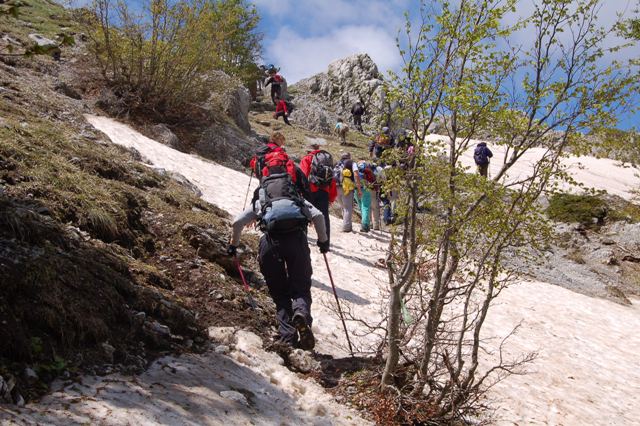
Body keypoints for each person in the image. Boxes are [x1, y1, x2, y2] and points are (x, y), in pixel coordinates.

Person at [228, 154, 329, 351]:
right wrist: (323, 242)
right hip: (296, 241)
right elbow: (317, 216)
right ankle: (301, 314)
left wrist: (233, 245)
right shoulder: (295, 196)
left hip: (270, 244)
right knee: (300, 286)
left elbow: (237, 222)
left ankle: (287, 337)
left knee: (279, 292)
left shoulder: (263, 197)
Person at [300, 143, 337, 243]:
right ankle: (325, 241)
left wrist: (300, 192)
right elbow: (332, 180)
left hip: (309, 191)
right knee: (324, 216)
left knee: (304, 215)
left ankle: (303, 239)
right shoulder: (326, 159)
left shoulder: (306, 159)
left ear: (308, 150)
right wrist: (332, 197)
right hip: (324, 191)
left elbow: (303, 176)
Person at [335, 152, 362, 232]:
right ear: (349, 157)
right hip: (347, 187)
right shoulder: (352, 163)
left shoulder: (337, 163)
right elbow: (356, 175)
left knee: (343, 207)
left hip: (336, 187)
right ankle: (346, 228)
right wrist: (359, 189)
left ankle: (345, 224)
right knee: (348, 208)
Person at [354, 160, 376, 233]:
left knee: (361, 207)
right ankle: (365, 226)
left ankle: (363, 223)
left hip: (356, 189)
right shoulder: (368, 170)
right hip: (366, 189)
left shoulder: (355, 168)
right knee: (365, 207)